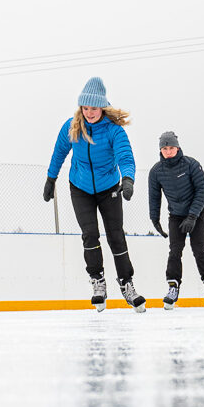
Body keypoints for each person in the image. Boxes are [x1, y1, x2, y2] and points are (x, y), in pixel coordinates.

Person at [44, 77, 145, 313]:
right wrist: (51, 178)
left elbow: (125, 157)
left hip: (109, 187)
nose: (89, 113)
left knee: (116, 236)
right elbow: (59, 153)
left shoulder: (113, 130)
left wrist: (128, 179)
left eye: (94, 108)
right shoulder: (72, 126)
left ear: (103, 107)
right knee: (90, 235)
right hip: (80, 188)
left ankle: (127, 284)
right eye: (85, 108)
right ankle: (98, 283)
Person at [147, 130, 204, 310]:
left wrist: (193, 216)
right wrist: (155, 219)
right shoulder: (156, 171)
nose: (168, 151)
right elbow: (154, 197)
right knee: (174, 251)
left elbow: (203, 191)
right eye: (164, 148)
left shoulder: (191, 165)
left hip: (197, 214)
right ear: (160, 150)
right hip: (176, 216)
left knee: (198, 249)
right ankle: (173, 287)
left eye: (171, 147)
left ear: (177, 148)